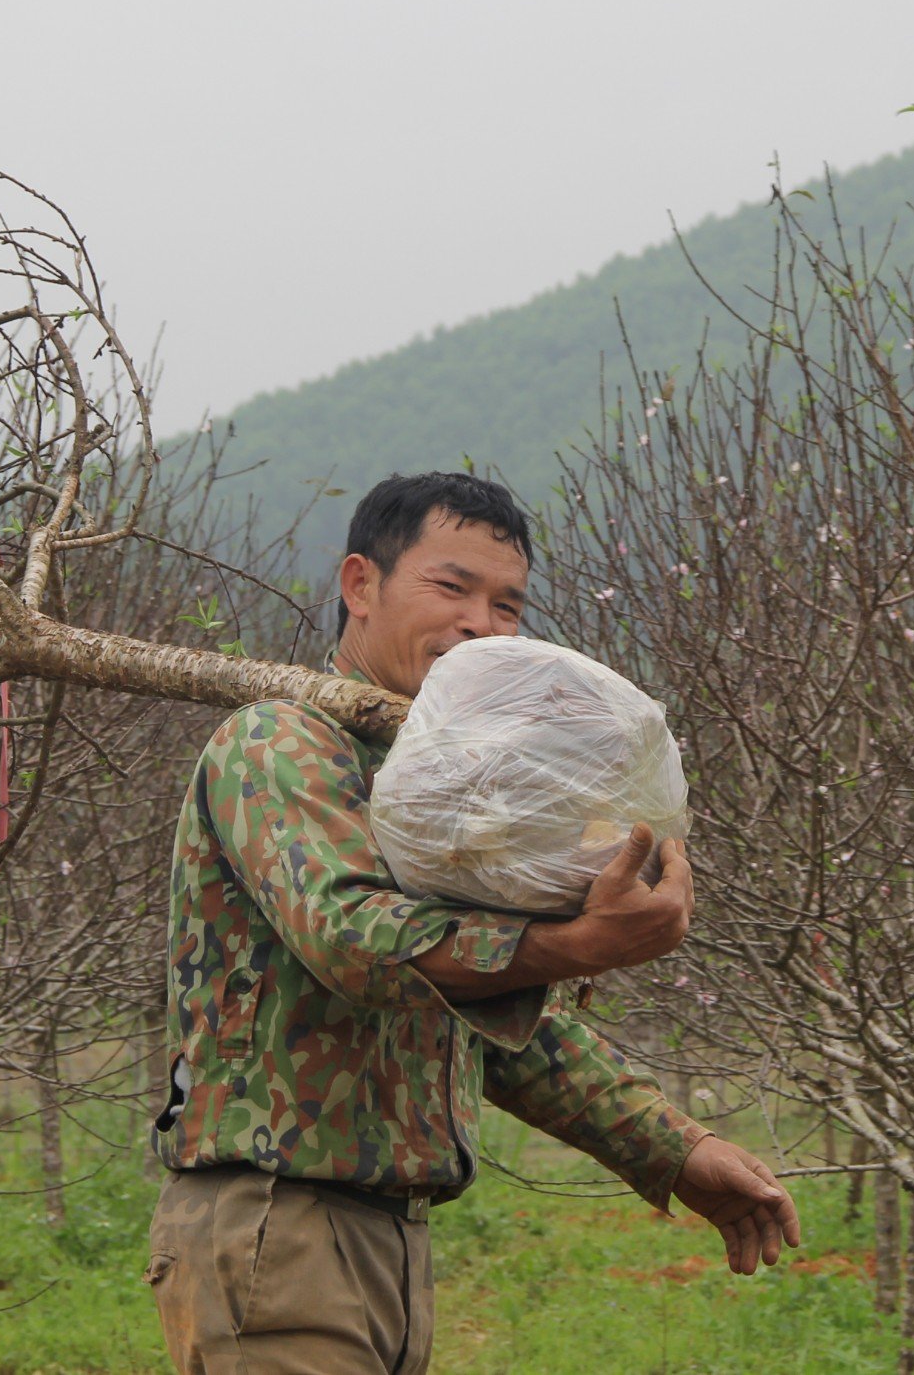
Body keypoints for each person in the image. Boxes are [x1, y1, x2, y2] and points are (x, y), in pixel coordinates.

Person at [145, 470, 801, 1373]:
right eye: (451, 587)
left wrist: (679, 1150)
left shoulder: (440, 795)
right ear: (361, 585)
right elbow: (353, 936)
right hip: (278, 1222)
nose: (479, 624)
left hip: (388, 1240)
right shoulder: (280, 742)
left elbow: (504, 1024)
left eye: (507, 604)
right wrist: (572, 944)